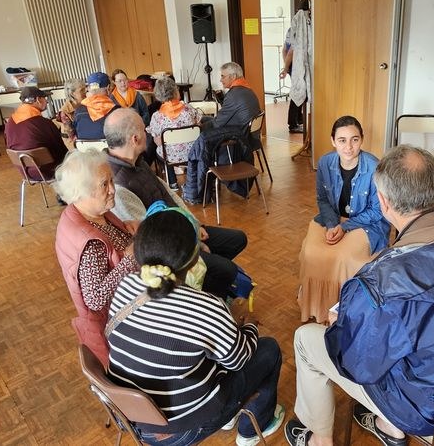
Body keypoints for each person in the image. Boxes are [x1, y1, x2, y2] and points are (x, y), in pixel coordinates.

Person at [284, 145, 434, 446]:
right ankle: (387, 427)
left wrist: (340, 326)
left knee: (306, 339)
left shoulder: (380, 283)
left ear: (383, 202)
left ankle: (321, 440)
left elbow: (357, 365)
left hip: (426, 408)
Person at [106, 207, 284, 446]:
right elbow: (238, 360)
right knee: (269, 350)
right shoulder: (205, 306)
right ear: (193, 259)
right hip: (180, 429)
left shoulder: (125, 285)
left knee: (205, 352)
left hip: (133, 417)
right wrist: (249, 326)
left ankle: (230, 416)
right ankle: (252, 429)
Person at [103, 108, 248, 300]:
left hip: (182, 228)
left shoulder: (137, 162)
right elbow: (150, 237)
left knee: (237, 239)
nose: (148, 132)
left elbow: (169, 194)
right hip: (171, 249)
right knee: (227, 270)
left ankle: (204, 285)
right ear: (135, 139)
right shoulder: (118, 184)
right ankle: (203, 298)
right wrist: (194, 245)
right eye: (144, 129)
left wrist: (195, 224)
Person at [297, 116, 389, 323]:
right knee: (312, 252)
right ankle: (318, 308)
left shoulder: (375, 167)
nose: (348, 147)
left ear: (362, 139)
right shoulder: (325, 163)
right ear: (333, 141)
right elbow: (322, 199)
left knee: (342, 256)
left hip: (366, 223)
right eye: (342, 140)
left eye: (354, 140)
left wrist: (345, 226)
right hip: (332, 218)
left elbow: (377, 211)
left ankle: (343, 310)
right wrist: (332, 224)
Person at [53, 149, 138, 366]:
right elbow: (95, 299)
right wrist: (129, 260)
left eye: (111, 181)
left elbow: (111, 246)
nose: (113, 189)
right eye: (104, 184)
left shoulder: (87, 212)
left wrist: (126, 229)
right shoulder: (90, 245)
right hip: (122, 321)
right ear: (82, 191)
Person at [146, 77, 202, 188]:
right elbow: (199, 126)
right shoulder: (188, 109)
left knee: (161, 148)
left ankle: (172, 183)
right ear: (175, 90)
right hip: (193, 152)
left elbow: (158, 141)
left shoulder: (157, 116)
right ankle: (192, 180)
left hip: (170, 156)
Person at [4, 86, 69, 180]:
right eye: (45, 98)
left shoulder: (10, 122)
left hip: (25, 171)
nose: (46, 101)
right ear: (38, 100)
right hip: (49, 171)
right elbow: (62, 150)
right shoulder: (43, 123)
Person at [279, 0, 311, 133]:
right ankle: (293, 123)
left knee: (299, 91)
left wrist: (287, 67)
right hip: (296, 64)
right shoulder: (303, 27)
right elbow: (291, 51)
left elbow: (284, 49)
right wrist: (287, 68)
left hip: (293, 64)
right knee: (299, 92)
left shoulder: (291, 29)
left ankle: (298, 118)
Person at [204, 62, 261, 130]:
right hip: (248, 131)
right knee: (205, 119)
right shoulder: (248, 90)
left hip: (239, 132)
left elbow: (217, 123)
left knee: (204, 132)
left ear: (233, 77)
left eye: (223, 76)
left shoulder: (233, 94)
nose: (220, 80)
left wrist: (199, 126)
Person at [73, 71, 118, 140]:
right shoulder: (116, 111)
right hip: (110, 146)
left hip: (85, 147)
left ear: (89, 89)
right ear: (108, 88)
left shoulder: (78, 111)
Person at [56, 78, 86, 149]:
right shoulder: (65, 112)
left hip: (85, 139)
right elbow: (70, 137)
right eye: (82, 90)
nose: (85, 91)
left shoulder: (85, 103)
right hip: (75, 145)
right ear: (72, 94)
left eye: (85, 89)